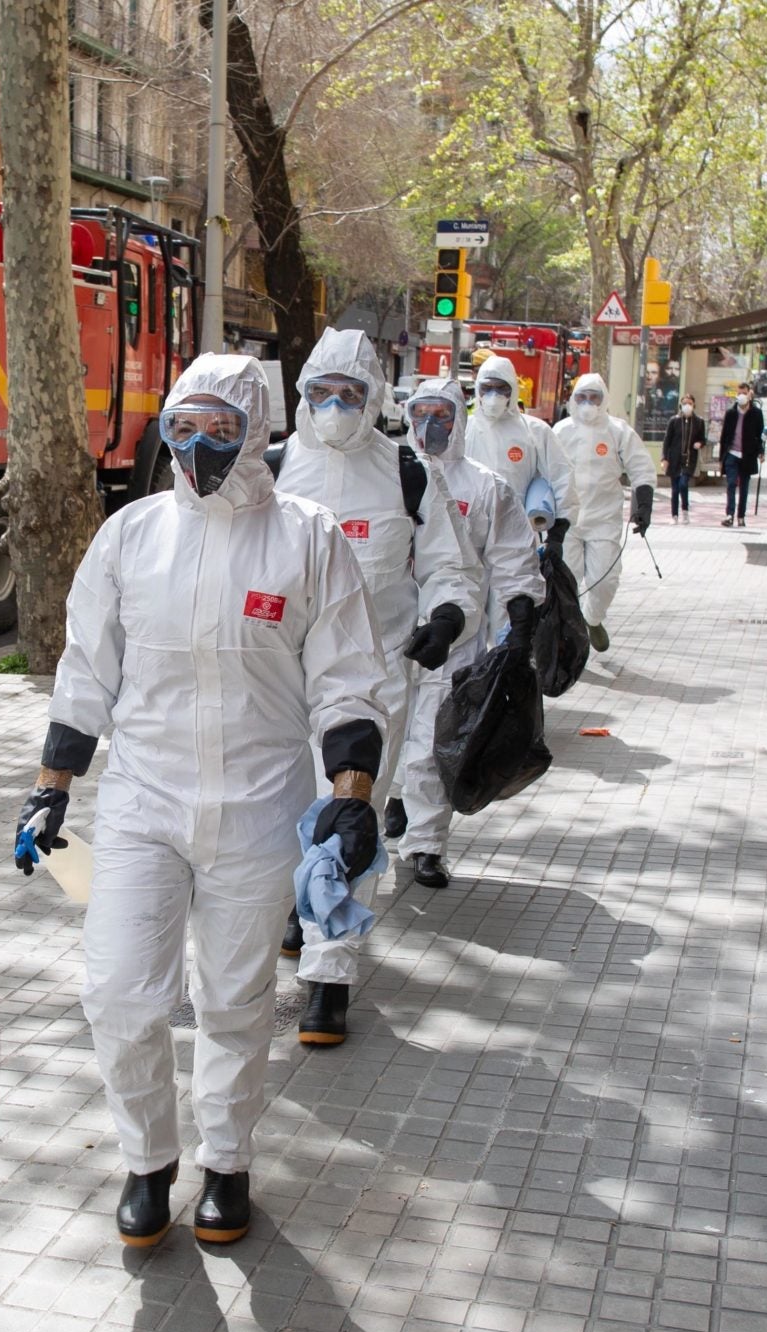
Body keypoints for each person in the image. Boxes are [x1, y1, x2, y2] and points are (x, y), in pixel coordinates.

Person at [17, 354, 386, 1248]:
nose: (198, 445)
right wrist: (50, 789)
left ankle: (226, 1162)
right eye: (183, 426)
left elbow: (346, 679)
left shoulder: (307, 537)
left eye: (220, 429)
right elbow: (86, 670)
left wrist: (352, 794)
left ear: (255, 431)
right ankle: (147, 1161)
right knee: (119, 992)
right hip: (143, 802)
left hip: (260, 806)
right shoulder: (131, 536)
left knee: (234, 998)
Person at [270, 329, 480, 1044]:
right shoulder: (268, 469)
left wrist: (447, 615)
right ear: (301, 397)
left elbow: (451, 566)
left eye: (349, 394)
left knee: (348, 819)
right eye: (320, 393)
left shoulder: (408, 475)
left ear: (374, 398)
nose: (334, 406)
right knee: (281, 818)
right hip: (279, 680)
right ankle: (298, 914)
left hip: (373, 677)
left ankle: (329, 977)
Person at [390, 375, 545, 891]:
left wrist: (520, 621)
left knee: (432, 741)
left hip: (456, 638)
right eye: (420, 415)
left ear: (459, 421)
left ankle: (426, 844)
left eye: (442, 415)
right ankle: (393, 805)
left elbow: (513, 556)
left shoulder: (484, 486)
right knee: (388, 729)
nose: (429, 426)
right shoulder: (389, 475)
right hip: (386, 630)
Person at [551, 372, 657, 653]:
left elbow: (641, 468)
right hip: (567, 520)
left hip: (604, 520)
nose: (588, 403)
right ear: (573, 399)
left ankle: (592, 619)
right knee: (567, 581)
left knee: (605, 580)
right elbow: (543, 470)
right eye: (582, 397)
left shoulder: (618, 431)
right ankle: (570, 636)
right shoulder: (560, 431)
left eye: (594, 397)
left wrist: (643, 505)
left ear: (604, 399)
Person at [463, 353, 571, 530]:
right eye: (487, 388)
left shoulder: (535, 431)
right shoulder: (464, 429)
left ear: (512, 389)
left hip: (519, 530)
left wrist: (559, 529)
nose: (493, 395)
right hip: (470, 528)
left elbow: (561, 477)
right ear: (477, 389)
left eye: (501, 388)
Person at [718, 384, 766, 526]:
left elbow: (760, 435)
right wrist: (722, 458)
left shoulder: (756, 413)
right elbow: (724, 436)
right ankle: (729, 514)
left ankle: (741, 516)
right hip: (732, 453)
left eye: (744, 393)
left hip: (747, 455)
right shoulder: (731, 413)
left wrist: (761, 452)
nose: (741, 396)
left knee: (744, 487)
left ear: (749, 394)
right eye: (739, 393)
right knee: (731, 483)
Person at [663, 394, 707, 520]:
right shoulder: (674, 420)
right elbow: (667, 441)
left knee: (683, 484)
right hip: (674, 459)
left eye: (690, 403)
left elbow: (703, 439)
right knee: (675, 489)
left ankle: (685, 509)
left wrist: (700, 443)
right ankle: (674, 515)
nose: (687, 406)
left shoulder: (699, 422)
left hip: (689, 459)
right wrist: (664, 458)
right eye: (684, 403)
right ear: (680, 405)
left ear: (694, 405)